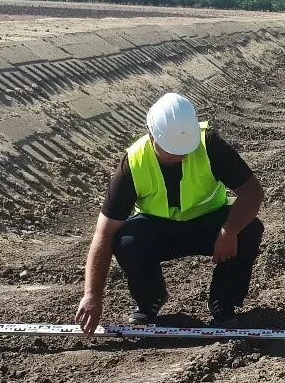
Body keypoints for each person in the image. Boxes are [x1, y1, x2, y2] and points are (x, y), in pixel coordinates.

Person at [75, 92, 265, 333]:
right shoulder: (133, 163)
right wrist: (92, 295)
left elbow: (253, 193)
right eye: (170, 149)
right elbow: (104, 233)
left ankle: (223, 304)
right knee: (126, 240)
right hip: (158, 230)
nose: (179, 155)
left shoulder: (210, 145)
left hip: (209, 225)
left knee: (248, 229)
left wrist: (229, 232)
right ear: (151, 133)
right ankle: (150, 299)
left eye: (184, 149)